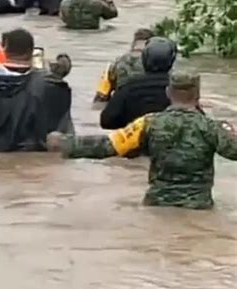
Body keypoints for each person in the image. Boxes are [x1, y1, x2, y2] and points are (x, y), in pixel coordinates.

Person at [47, 72, 237, 209]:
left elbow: (108, 146)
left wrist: (67, 144)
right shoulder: (212, 128)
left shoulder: (148, 123)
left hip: (158, 204)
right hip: (199, 206)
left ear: (168, 92)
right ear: (197, 96)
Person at [0, 28, 74, 151]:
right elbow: (62, 133)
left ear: (4, 49)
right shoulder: (52, 86)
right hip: (32, 161)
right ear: (32, 52)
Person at [100, 36, 177, 130]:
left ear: (144, 59)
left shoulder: (128, 87)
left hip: (135, 139)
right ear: (171, 61)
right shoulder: (179, 88)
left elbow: (106, 121)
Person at [93, 28, 155, 104]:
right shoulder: (159, 63)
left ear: (133, 43)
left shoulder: (115, 64)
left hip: (122, 108)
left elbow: (100, 97)